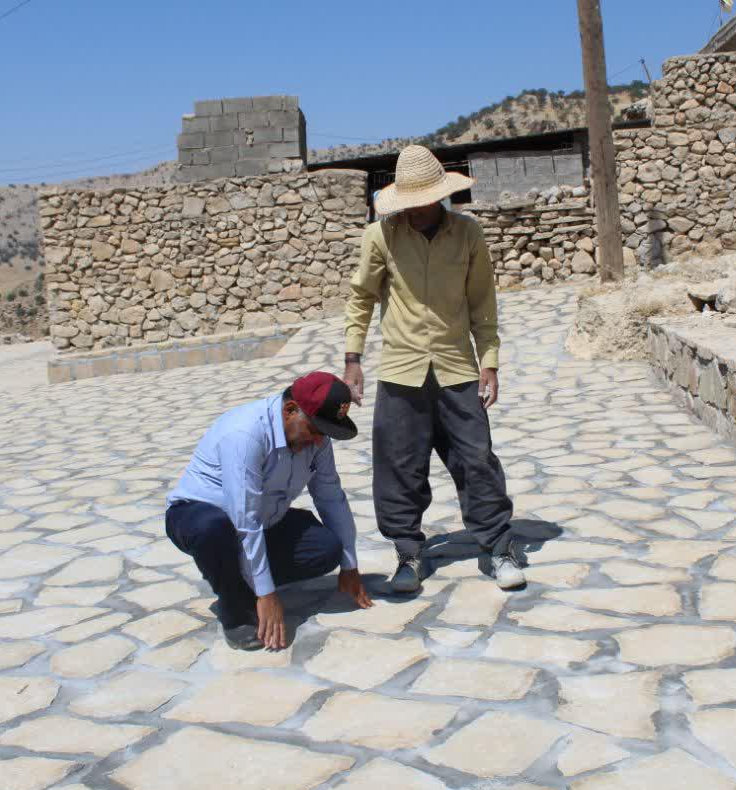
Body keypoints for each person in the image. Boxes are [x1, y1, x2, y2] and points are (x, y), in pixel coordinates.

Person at [343, 144, 524, 595]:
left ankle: (498, 548)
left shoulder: (467, 234)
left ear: (440, 195)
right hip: (401, 371)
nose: (417, 208)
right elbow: (361, 297)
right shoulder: (380, 236)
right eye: (410, 200)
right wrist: (353, 359)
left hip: (456, 367)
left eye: (425, 198)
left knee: (477, 459)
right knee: (398, 466)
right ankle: (408, 553)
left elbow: (483, 301)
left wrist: (490, 362)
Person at [164, 372, 373, 651]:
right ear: (290, 410)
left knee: (326, 549)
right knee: (211, 531)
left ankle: (243, 578)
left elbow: (331, 497)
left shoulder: (316, 438)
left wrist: (349, 565)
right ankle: (235, 608)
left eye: (326, 433)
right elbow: (244, 520)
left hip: (264, 519)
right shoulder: (245, 434)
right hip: (202, 516)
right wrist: (267, 595)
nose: (319, 441)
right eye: (315, 429)